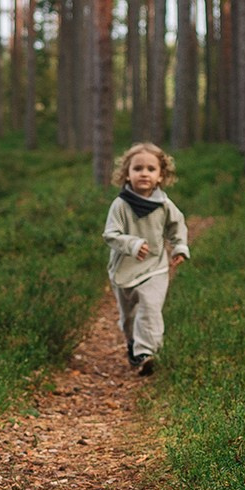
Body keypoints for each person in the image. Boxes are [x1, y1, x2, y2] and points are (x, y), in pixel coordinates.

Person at [101, 141, 191, 375]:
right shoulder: (120, 205)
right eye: (137, 168)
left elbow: (176, 225)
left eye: (151, 169)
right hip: (124, 269)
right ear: (127, 174)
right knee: (129, 317)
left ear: (160, 176)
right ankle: (133, 344)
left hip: (155, 268)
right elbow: (110, 235)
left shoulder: (164, 204)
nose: (144, 173)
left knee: (150, 307)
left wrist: (179, 247)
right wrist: (132, 244)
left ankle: (147, 353)